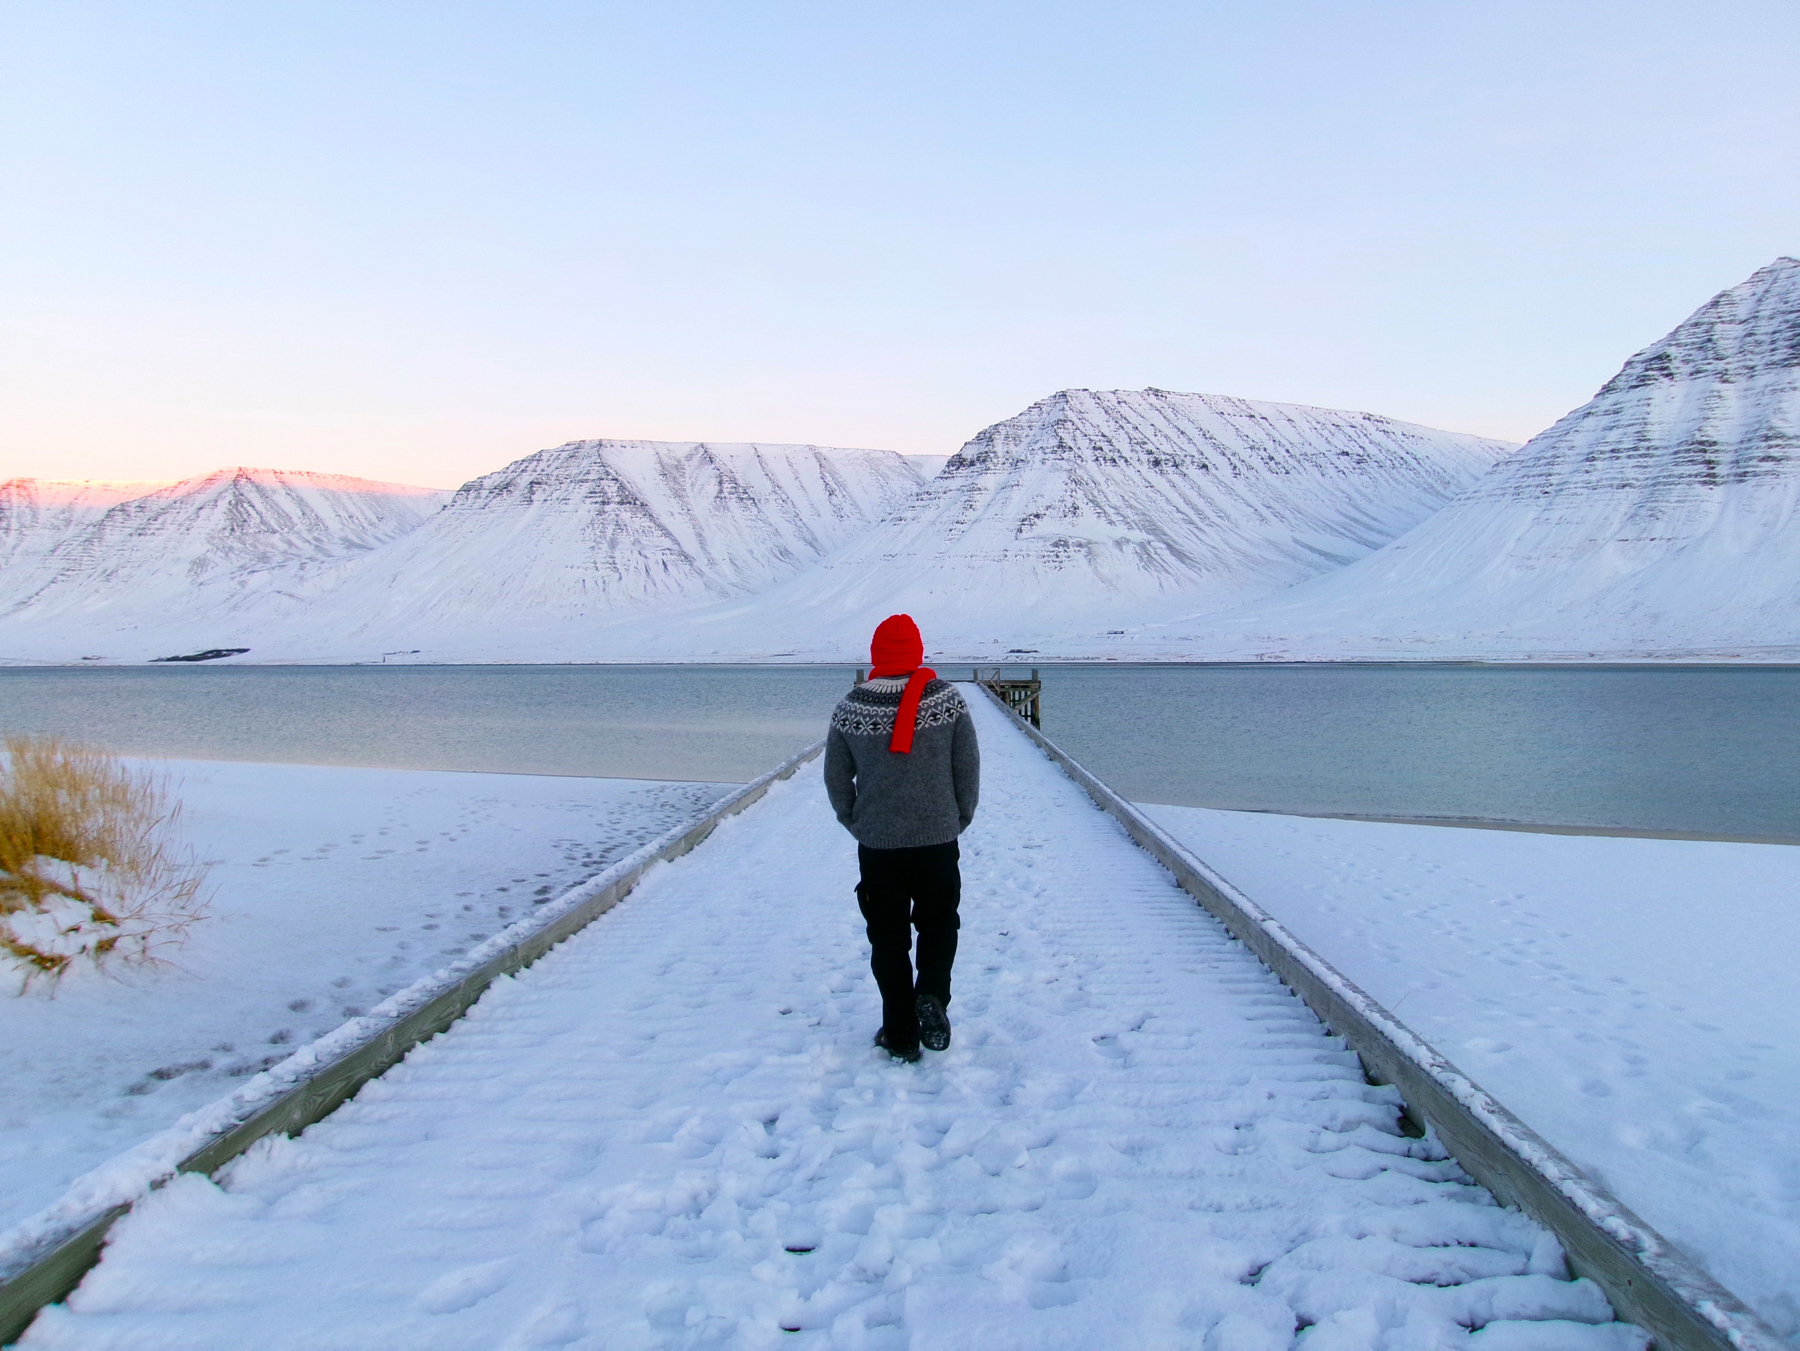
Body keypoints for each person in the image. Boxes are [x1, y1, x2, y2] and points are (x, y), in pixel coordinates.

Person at [824, 614, 980, 1062]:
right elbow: (966, 766)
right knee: (939, 923)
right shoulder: (947, 701)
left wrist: (853, 820)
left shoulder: (851, 706)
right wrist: (959, 816)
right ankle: (931, 995)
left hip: (878, 844)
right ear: (917, 652)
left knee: (887, 937)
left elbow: (836, 776)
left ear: (877, 655)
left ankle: (900, 1032)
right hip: (936, 839)